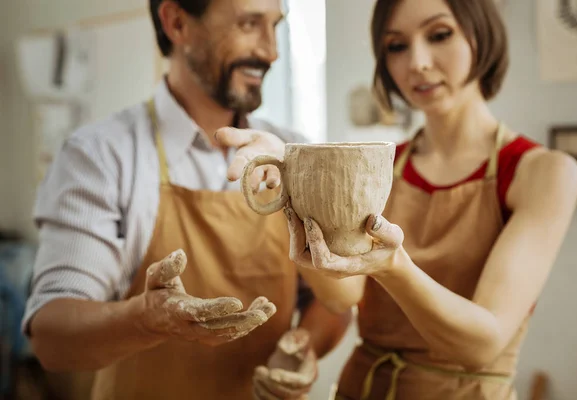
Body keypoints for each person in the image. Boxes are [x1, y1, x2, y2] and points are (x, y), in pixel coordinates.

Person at [229, 0, 577, 398]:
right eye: (396, 46)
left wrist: (395, 266)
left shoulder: (542, 172)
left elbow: (481, 345)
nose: (417, 62)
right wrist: (292, 192)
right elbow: (343, 293)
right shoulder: (380, 166)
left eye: (439, 35)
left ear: (480, 33)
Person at [21, 0, 351, 399]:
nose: (271, 51)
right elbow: (52, 339)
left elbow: (335, 301)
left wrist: (302, 345)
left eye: (274, 26)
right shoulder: (100, 156)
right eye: (249, 23)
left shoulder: (292, 152)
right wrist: (147, 320)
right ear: (176, 22)